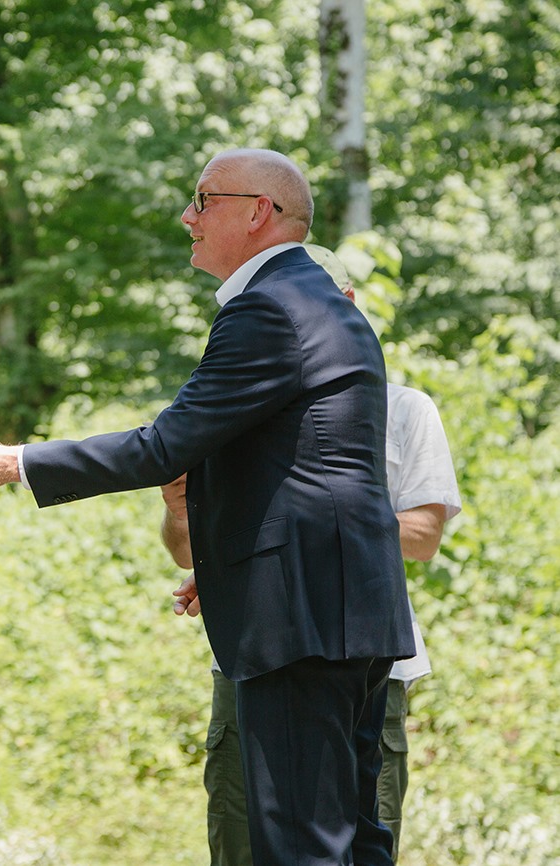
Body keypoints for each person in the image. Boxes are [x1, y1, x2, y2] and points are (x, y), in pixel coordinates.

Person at [0, 148, 415, 865]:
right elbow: (305, 467)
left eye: (204, 199)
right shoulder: (321, 303)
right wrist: (227, 564)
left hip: (303, 616)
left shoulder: (269, 307)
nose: (187, 216)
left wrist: (17, 461)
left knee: (303, 847)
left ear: (259, 212)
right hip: (348, 604)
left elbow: (165, 446)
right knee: (355, 842)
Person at [164, 245, 463, 863]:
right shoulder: (235, 407)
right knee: (241, 847)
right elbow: (183, 550)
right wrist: (189, 516)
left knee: (357, 845)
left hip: (364, 660)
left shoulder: (405, 408)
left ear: (347, 304)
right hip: (252, 656)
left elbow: (424, 535)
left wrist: (302, 539)